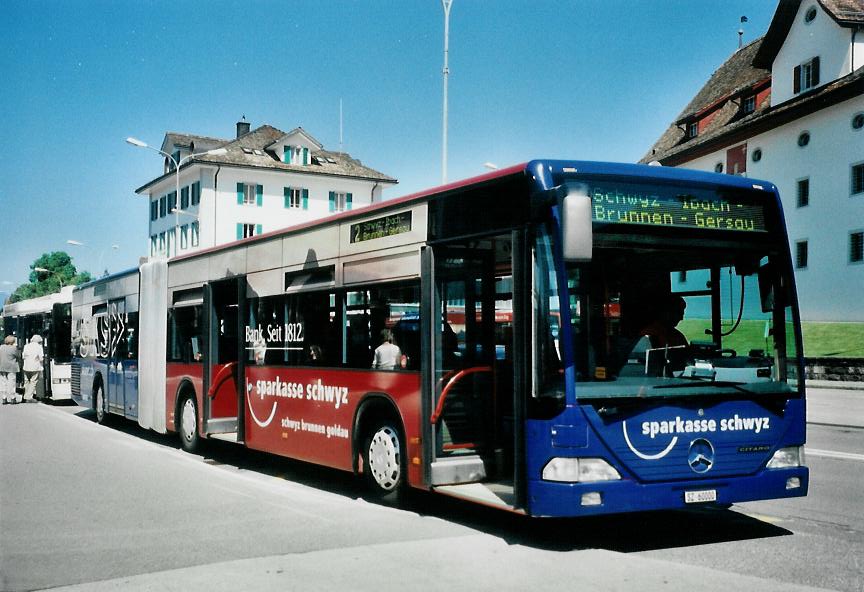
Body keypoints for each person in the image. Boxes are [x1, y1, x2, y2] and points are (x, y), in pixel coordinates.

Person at [22, 334, 44, 403]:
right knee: (33, 382)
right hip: (35, 367)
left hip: (26, 366)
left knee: (26, 381)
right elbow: (41, 358)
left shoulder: (26, 346)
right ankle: (29, 397)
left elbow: (23, 356)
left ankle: (25, 396)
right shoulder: (39, 347)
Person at [0, 335, 21, 405]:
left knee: (3, 382)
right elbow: (18, 356)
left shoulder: (1, 347)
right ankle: (12, 398)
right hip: (11, 367)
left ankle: (4, 398)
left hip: (2, 366)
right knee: (11, 382)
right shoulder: (14, 348)